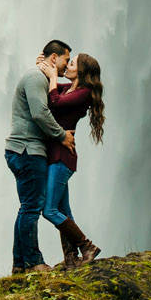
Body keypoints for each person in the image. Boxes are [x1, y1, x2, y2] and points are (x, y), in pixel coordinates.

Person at [5, 39, 72, 273]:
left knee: (27, 207)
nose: (67, 65)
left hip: (25, 150)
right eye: (66, 60)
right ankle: (34, 262)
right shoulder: (35, 78)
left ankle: (19, 265)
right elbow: (40, 113)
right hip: (27, 150)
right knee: (32, 208)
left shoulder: (40, 77)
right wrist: (61, 136)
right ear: (54, 58)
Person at [39, 52, 104, 267]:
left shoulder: (84, 93)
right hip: (55, 154)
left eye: (72, 63)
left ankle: (87, 246)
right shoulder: (69, 88)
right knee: (63, 210)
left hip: (62, 156)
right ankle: (70, 257)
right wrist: (44, 64)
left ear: (81, 72)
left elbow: (55, 102)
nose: (67, 65)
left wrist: (53, 78)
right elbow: (49, 92)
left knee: (49, 210)